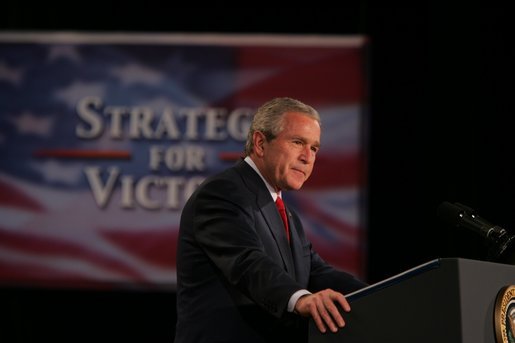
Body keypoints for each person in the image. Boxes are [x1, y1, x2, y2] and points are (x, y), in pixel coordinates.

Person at [175, 97, 367, 343]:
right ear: (260, 143)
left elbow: (316, 272)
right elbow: (247, 262)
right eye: (298, 142)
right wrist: (302, 298)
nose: (308, 158)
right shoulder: (223, 193)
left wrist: (380, 295)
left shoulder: (286, 213)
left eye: (314, 148)